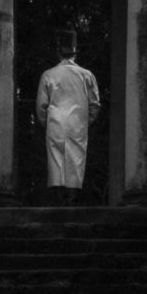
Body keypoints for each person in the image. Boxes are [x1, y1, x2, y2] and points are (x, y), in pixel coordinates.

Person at [35, 30, 100, 206]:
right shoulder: (87, 75)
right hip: (77, 125)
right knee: (76, 162)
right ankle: (72, 201)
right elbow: (95, 104)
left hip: (55, 124)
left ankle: (58, 201)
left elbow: (41, 106)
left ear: (58, 52)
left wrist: (46, 122)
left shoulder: (48, 75)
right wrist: (86, 122)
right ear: (75, 52)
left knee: (56, 162)